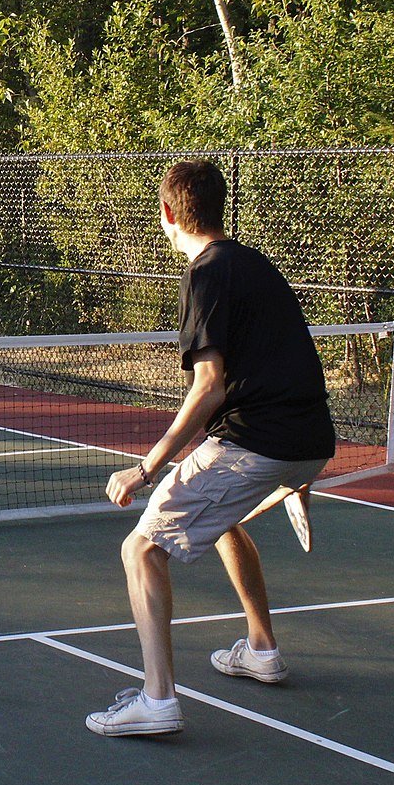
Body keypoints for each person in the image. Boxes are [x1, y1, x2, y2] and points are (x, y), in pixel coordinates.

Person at [85, 159, 336, 737]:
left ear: (169, 213)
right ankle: (262, 649)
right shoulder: (257, 265)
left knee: (142, 550)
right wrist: (295, 466)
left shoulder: (204, 274)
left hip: (256, 441)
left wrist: (146, 469)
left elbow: (209, 386)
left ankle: (157, 700)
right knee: (222, 520)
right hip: (310, 440)